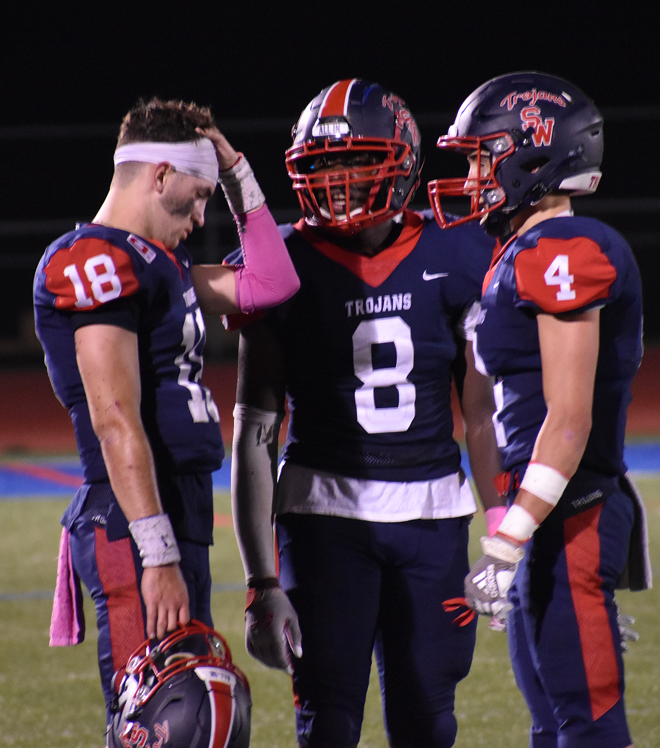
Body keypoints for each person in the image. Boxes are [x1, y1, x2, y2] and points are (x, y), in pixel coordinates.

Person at [228, 79, 504, 748]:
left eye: (357, 161)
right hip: (322, 519)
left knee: (428, 720)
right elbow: (254, 431)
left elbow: (481, 409)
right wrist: (260, 581)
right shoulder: (282, 262)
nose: (339, 180)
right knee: (328, 721)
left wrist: (502, 528)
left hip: (432, 516)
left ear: (402, 162)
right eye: (324, 165)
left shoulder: (457, 249)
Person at [33, 97, 300, 725]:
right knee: (158, 721)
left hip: (178, 506)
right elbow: (115, 419)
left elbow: (273, 284)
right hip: (134, 519)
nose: (204, 214)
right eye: (200, 194)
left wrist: (236, 173)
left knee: (197, 715)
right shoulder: (93, 260)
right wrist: (157, 554)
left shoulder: (159, 262)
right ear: (160, 175)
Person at [428, 71, 652, 748]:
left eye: (481, 157)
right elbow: (488, 408)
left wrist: (507, 540)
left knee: (586, 723)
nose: (471, 177)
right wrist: (512, 522)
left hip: (574, 511)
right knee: (551, 723)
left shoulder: (563, 251)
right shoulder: (516, 252)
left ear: (533, 157)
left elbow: (569, 418)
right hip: (548, 514)